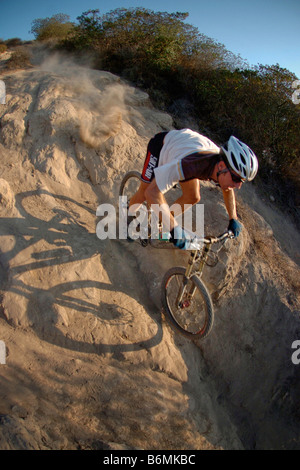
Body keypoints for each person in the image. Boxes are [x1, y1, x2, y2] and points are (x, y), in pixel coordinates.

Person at [128, 128, 258, 249]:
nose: (238, 186)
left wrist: (233, 218)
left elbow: (228, 189)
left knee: (193, 196)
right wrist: (174, 228)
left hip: (186, 148)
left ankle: (162, 222)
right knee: (144, 193)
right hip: (161, 147)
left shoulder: (221, 168)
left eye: (241, 181)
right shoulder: (192, 165)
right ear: (222, 166)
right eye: (236, 179)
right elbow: (152, 193)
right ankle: (127, 217)